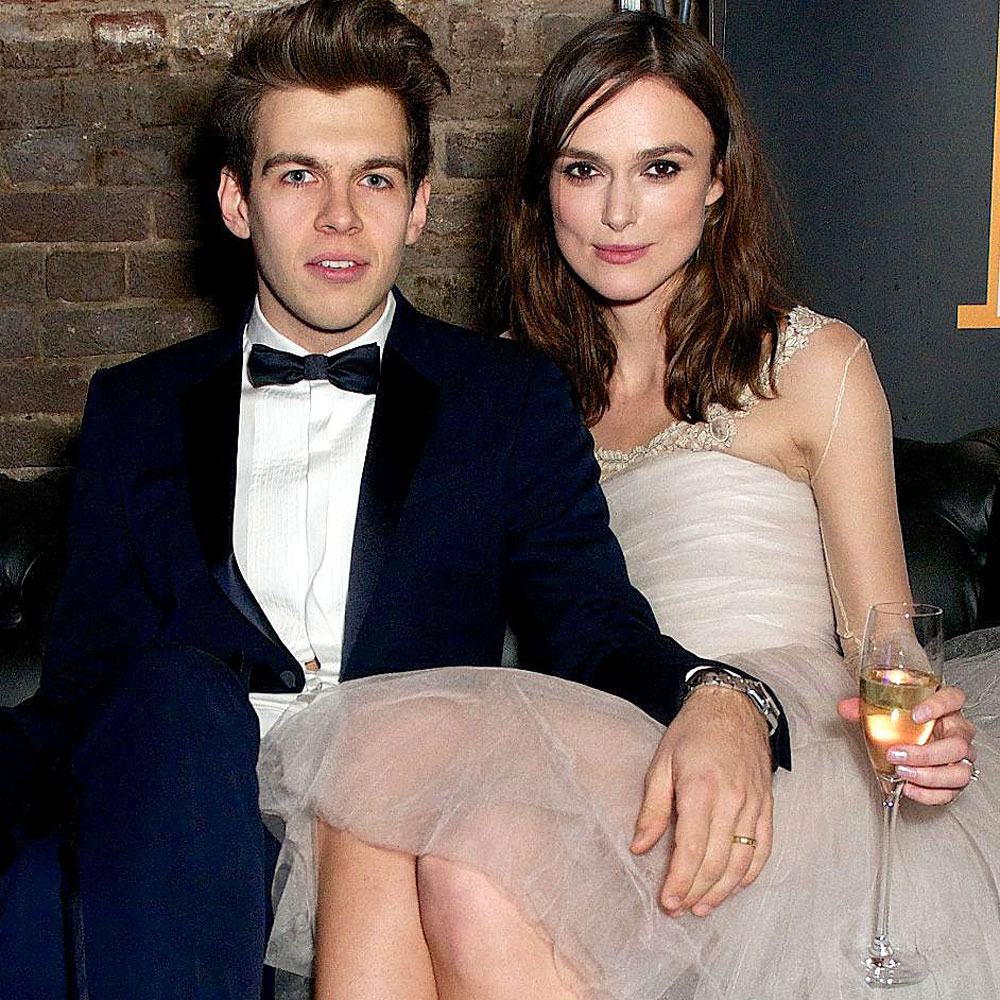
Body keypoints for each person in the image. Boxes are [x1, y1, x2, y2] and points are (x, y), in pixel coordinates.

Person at [0, 3, 801, 999]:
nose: (340, 218)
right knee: (173, 699)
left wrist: (722, 694)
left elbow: (592, 623)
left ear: (418, 205)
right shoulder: (134, 409)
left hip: (379, 829)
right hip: (176, 816)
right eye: (298, 176)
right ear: (236, 202)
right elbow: (79, 695)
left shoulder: (502, 403)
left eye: (373, 179)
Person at [258, 9, 999, 1000]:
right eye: (582, 169)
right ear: (542, 191)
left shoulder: (816, 363)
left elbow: (886, 639)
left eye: (659, 168)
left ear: (718, 182)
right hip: (602, 730)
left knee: (464, 855)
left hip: (783, 752)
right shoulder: (509, 387)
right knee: (384, 781)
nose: (617, 212)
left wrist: (919, 731)